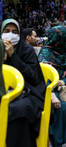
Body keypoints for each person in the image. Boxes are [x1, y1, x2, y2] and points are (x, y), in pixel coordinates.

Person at [2, 19, 46, 147]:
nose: (10, 34)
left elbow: (33, 77)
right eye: (7, 31)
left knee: (18, 110)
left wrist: (13, 55)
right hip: (4, 93)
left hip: (28, 93)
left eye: (14, 32)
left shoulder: (27, 50)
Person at [38, 26, 66, 147]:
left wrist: (65, 81)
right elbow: (42, 77)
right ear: (61, 39)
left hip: (62, 88)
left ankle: (58, 140)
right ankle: (56, 140)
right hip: (46, 89)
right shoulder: (45, 53)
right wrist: (51, 92)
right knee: (60, 107)